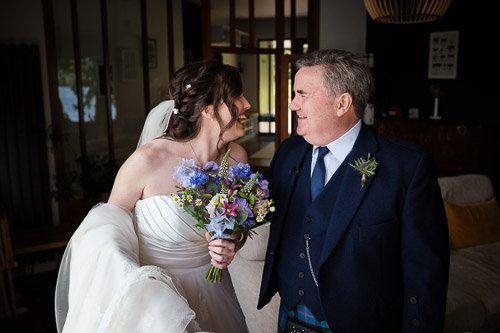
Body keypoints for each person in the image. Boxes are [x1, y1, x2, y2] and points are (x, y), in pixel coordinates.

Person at [257, 49, 450, 332]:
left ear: (342, 103)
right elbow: (267, 214)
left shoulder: (407, 167)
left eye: (302, 94)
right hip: (290, 316)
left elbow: (425, 272)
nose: (292, 104)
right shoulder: (287, 152)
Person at [55, 59, 251, 333]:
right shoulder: (146, 161)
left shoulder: (237, 160)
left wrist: (232, 243)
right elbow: (104, 233)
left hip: (216, 293)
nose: (246, 104)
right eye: (237, 97)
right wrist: (136, 281)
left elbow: (238, 226)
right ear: (208, 110)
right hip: (156, 305)